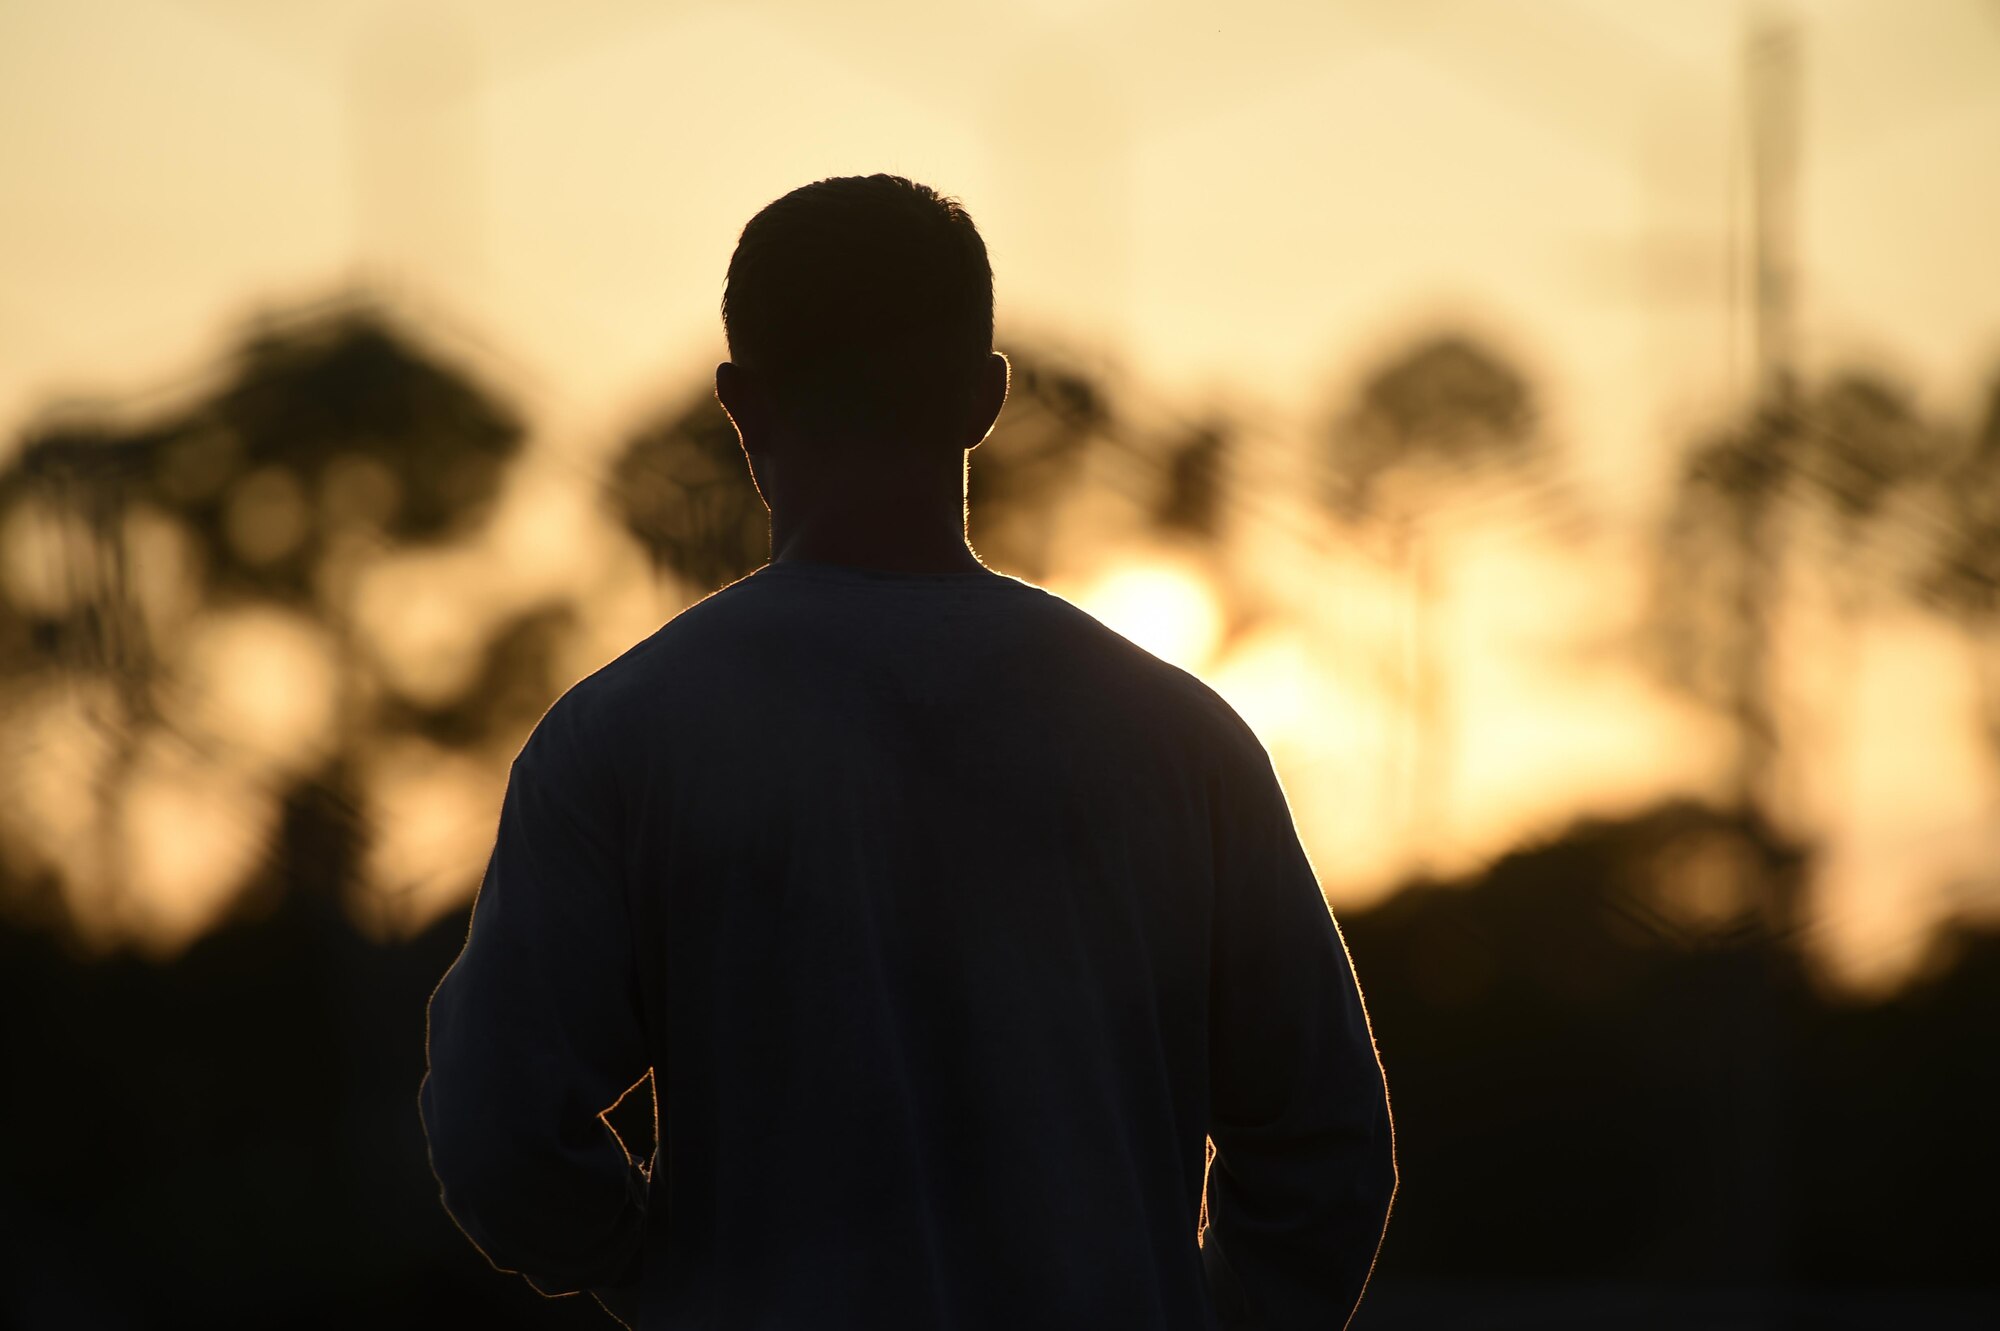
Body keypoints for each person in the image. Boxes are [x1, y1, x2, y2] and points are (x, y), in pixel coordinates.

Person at [419, 173, 1396, 1330]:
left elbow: (497, 1127)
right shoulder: (1180, 740)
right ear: (985, 397)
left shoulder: (625, 738)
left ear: (741, 404)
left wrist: (662, 1274)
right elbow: (1322, 1148)